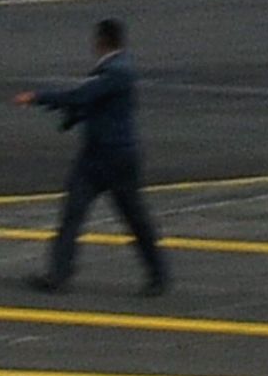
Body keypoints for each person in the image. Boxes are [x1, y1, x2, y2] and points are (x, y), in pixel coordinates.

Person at [14, 17, 167, 295]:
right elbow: (90, 103)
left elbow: (83, 95)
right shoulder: (113, 68)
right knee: (73, 214)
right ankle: (59, 275)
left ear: (101, 40)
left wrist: (38, 97)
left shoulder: (117, 71)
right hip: (96, 156)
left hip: (115, 159)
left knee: (133, 218)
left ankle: (158, 275)